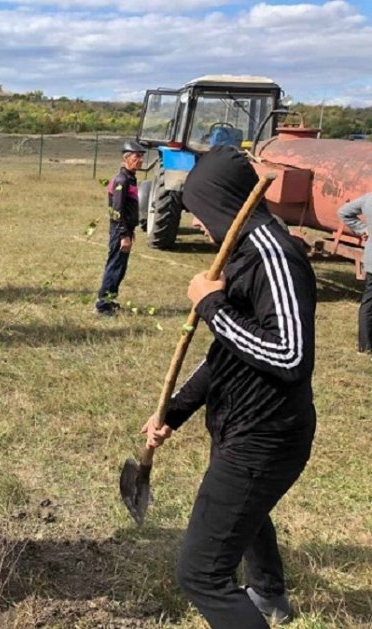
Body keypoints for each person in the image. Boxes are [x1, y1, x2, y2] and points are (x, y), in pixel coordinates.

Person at [141, 146, 317, 628]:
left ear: (224, 202)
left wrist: (213, 308)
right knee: (248, 512)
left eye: (201, 212)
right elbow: (225, 355)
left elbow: (291, 355)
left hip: (267, 437)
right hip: (243, 428)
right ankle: (268, 596)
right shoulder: (239, 254)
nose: (198, 223)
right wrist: (172, 413)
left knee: (200, 574)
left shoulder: (273, 256)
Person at [95, 140, 145, 315]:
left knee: (120, 268)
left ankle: (110, 300)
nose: (140, 160)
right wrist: (124, 234)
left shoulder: (130, 178)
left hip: (126, 230)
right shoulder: (121, 180)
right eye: (137, 156)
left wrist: (130, 231)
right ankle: (103, 305)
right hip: (119, 231)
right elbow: (116, 211)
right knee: (115, 267)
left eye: (141, 156)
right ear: (126, 158)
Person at [337, 193, 371, 353]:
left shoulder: (369, 198)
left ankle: (364, 346)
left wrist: (363, 228)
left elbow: (343, 211)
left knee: (369, 303)